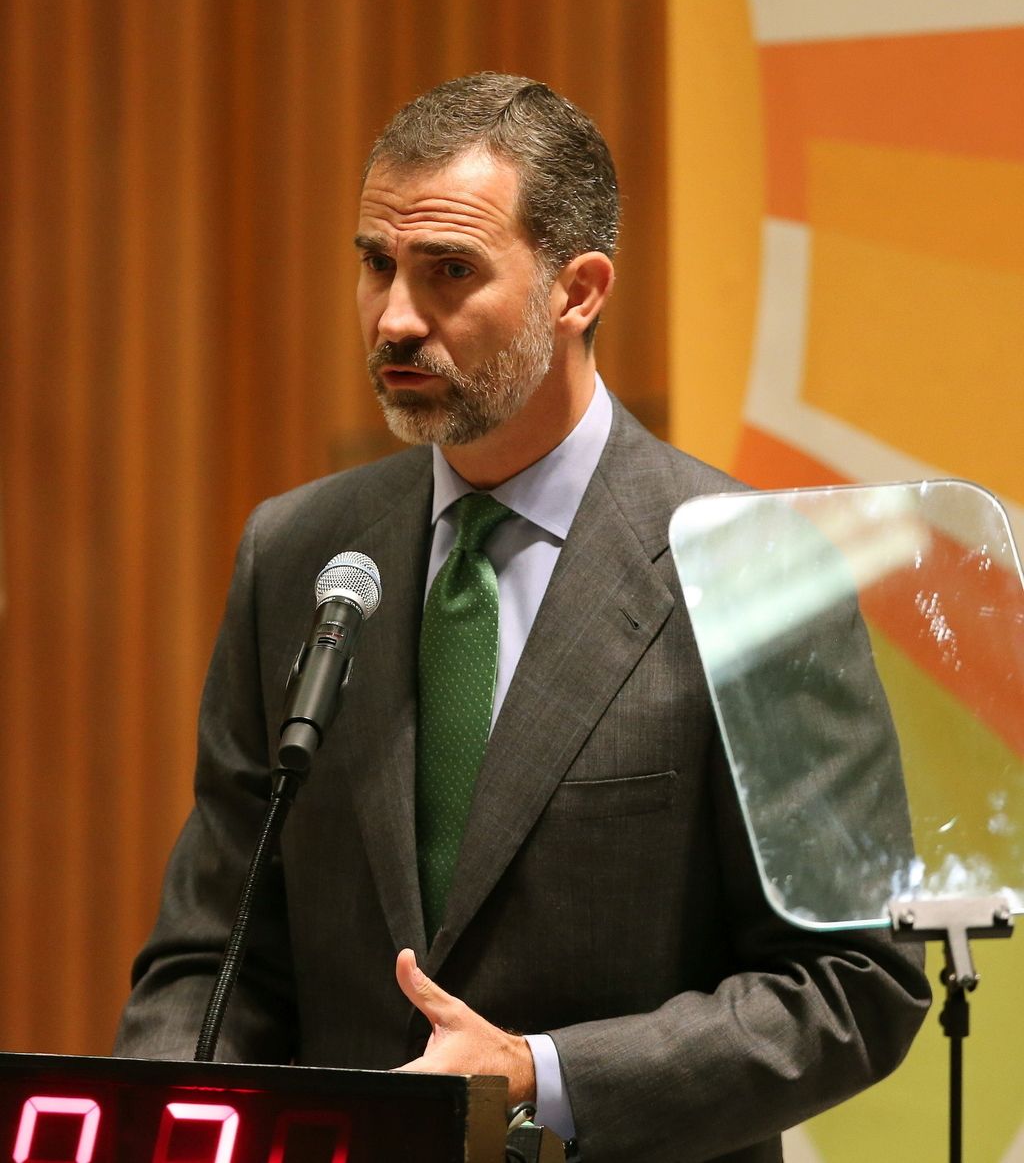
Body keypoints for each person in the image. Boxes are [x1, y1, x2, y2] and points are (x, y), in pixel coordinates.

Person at [116, 73, 929, 1162]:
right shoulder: (301, 555)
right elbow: (213, 954)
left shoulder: (752, 565)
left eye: (449, 271)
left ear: (577, 289)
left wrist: (540, 1077)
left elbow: (853, 984)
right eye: (376, 264)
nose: (396, 317)